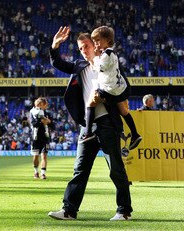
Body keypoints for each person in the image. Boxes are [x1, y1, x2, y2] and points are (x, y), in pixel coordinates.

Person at [48, 26, 133, 221]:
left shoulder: (110, 64)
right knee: (80, 170)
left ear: (95, 46)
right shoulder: (79, 66)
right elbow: (58, 63)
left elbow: (125, 90)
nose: (83, 50)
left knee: (116, 168)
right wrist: (54, 46)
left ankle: (124, 210)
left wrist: (103, 99)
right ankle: (69, 210)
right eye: (80, 48)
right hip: (86, 125)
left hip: (107, 123)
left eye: (86, 46)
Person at [80, 26, 142, 151]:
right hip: (118, 88)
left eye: (98, 40)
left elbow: (99, 67)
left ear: (107, 40)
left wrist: (96, 55)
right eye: (94, 41)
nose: (96, 43)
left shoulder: (107, 54)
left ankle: (88, 133)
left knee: (91, 103)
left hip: (110, 90)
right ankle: (135, 134)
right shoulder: (110, 53)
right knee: (123, 111)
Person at [29, 97, 52, 179]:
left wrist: (49, 122)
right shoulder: (32, 112)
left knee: (44, 155)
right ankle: (36, 172)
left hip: (45, 137)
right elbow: (33, 124)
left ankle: (43, 173)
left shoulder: (47, 113)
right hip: (35, 137)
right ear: (41, 104)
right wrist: (41, 121)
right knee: (35, 156)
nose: (47, 106)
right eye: (46, 104)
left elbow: (51, 124)